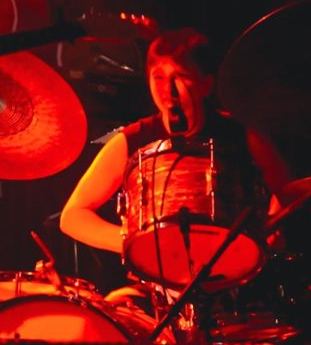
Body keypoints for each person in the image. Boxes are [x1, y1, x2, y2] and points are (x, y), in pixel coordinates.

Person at [60, 28, 290, 265]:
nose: (167, 91)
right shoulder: (133, 140)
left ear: (205, 85)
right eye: (158, 77)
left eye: (179, 77)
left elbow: (289, 194)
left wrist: (272, 225)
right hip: (161, 280)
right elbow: (72, 216)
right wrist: (135, 240)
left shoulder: (242, 134)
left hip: (234, 272)